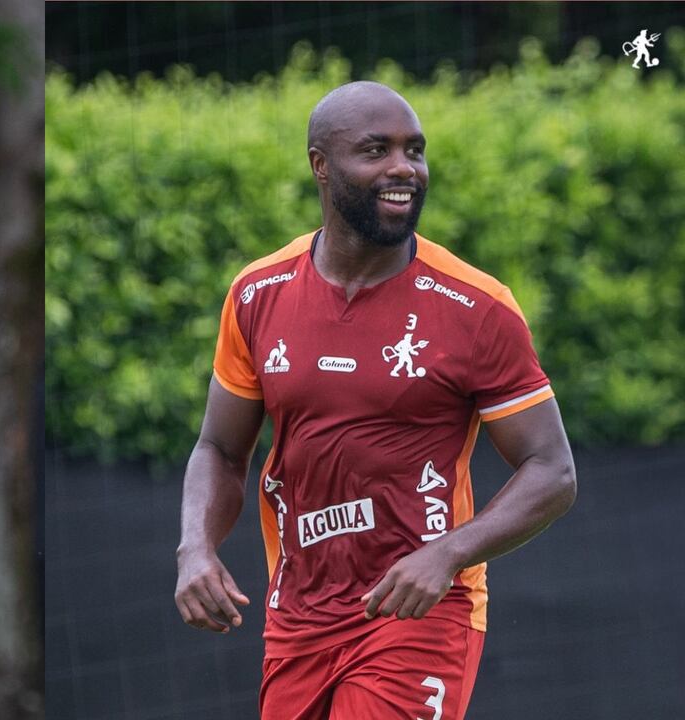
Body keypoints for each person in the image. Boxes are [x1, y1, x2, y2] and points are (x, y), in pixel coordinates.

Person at [174, 81, 576, 719]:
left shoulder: (477, 307)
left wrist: (448, 555)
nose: (403, 169)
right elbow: (221, 449)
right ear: (320, 165)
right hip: (298, 615)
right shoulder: (258, 293)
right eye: (376, 150)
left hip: (419, 610)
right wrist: (195, 547)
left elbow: (553, 470)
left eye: (414, 151)